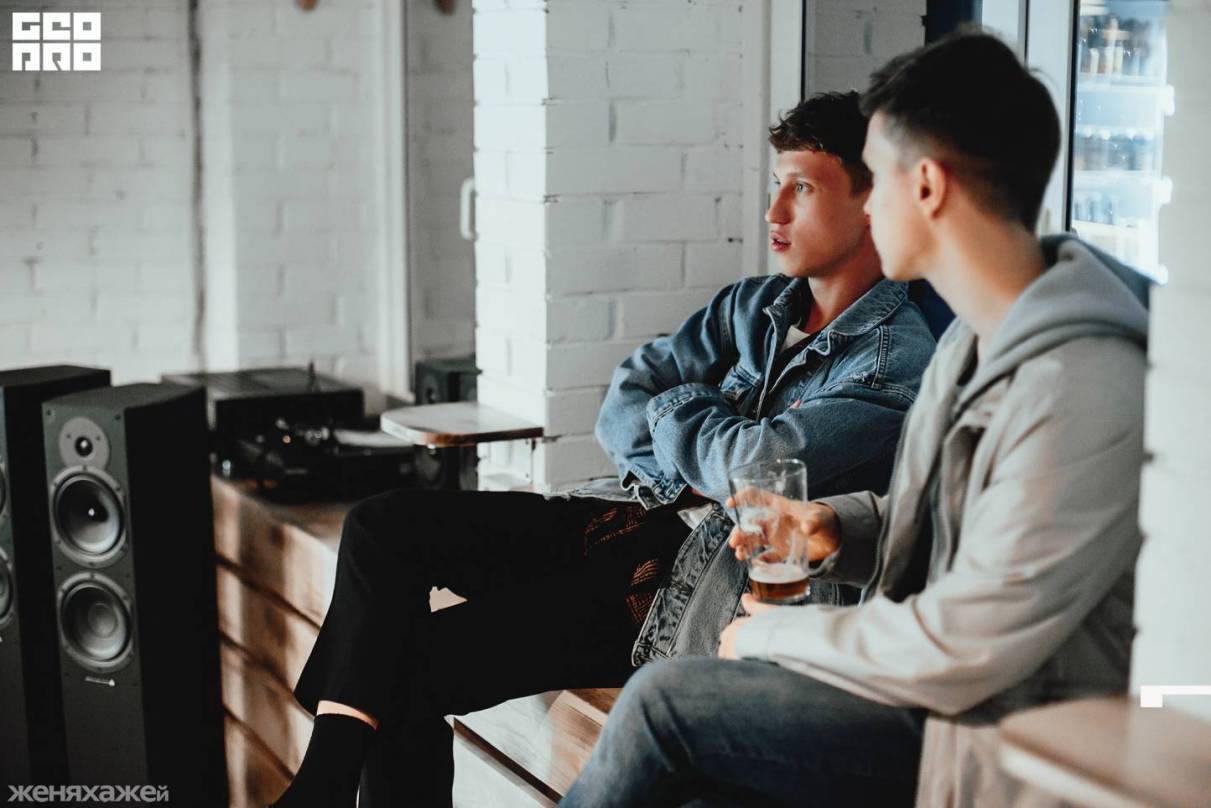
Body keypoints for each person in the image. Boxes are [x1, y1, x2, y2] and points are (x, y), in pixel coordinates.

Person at [268, 92, 935, 808]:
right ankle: (323, 785)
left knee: (403, 672)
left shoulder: (894, 362)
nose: (773, 211)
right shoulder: (753, 305)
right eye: (775, 184)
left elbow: (747, 466)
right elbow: (625, 399)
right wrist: (696, 465)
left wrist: (685, 414)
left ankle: (320, 792)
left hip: (672, 592)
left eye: (800, 188)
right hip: (621, 517)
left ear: (872, 203)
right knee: (382, 524)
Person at [561, 31, 1150, 808]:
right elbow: (953, 526)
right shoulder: (974, 341)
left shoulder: (1082, 383)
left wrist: (771, 636)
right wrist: (837, 529)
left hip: (1004, 744)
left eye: (876, 181)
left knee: (665, 705)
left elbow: (963, 643)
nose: (866, 208)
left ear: (927, 186)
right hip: (937, 706)